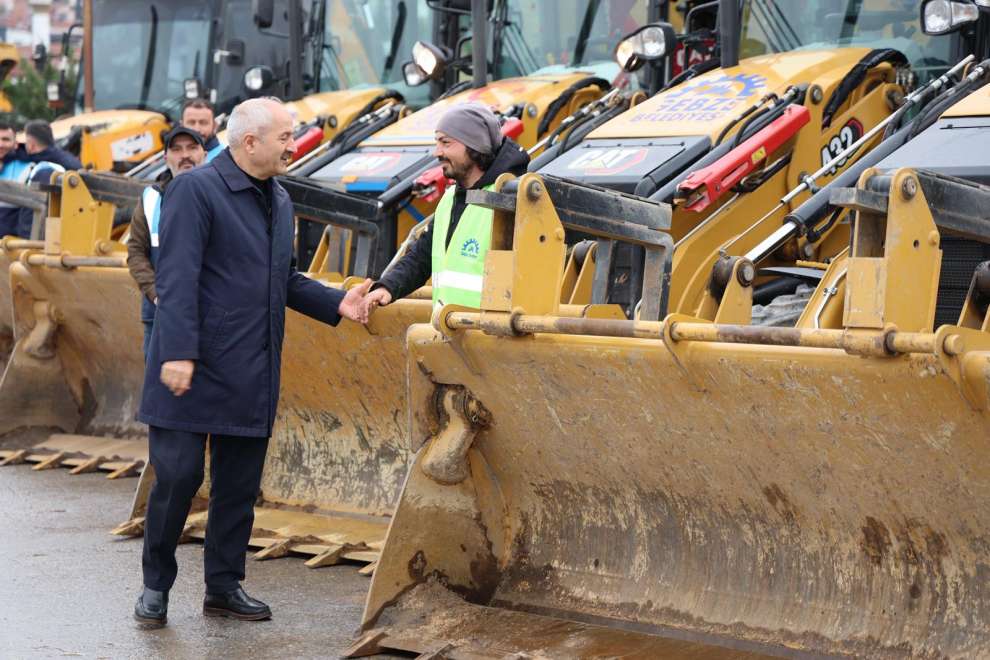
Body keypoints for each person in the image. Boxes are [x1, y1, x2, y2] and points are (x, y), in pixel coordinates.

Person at [132, 97, 371, 627]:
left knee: (238, 487)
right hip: (189, 366)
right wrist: (176, 353)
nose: (294, 144)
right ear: (249, 142)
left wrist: (338, 301)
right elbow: (176, 277)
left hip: (250, 366)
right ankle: (155, 585)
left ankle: (223, 585)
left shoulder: (279, 198)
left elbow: (282, 279)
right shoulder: (195, 191)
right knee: (176, 478)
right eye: (286, 136)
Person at [360, 103, 528, 315]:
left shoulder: (508, 199)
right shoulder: (450, 198)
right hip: (451, 334)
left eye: (445, 143)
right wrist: (387, 287)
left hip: (489, 338)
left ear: (476, 147)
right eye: (437, 142)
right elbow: (422, 256)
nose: (437, 152)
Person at [126, 127, 207, 358]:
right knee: (158, 389)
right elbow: (135, 252)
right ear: (165, 158)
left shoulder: (221, 197)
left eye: (192, 148)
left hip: (210, 317)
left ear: (205, 154)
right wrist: (156, 294)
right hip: (160, 316)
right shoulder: (151, 198)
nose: (185, 155)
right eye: (177, 149)